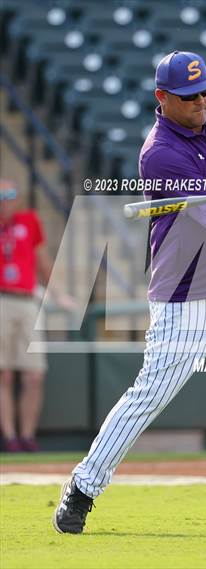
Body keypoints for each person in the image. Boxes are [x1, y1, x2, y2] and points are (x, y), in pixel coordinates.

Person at [53, 51, 206, 534]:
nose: (203, 102)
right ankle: (84, 485)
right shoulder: (159, 153)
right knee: (151, 395)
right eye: (191, 97)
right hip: (190, 291)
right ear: (162, 98)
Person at [0, 180, 73, 452]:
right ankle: (10, 437)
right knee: (4, 375)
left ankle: (27, 434)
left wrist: (59, 295)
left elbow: (43, 261)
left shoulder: (29, 221)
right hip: (1, 298)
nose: (4, 201)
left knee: (34, 375)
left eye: (9, 195)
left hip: (27, 299)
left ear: (17, 198)